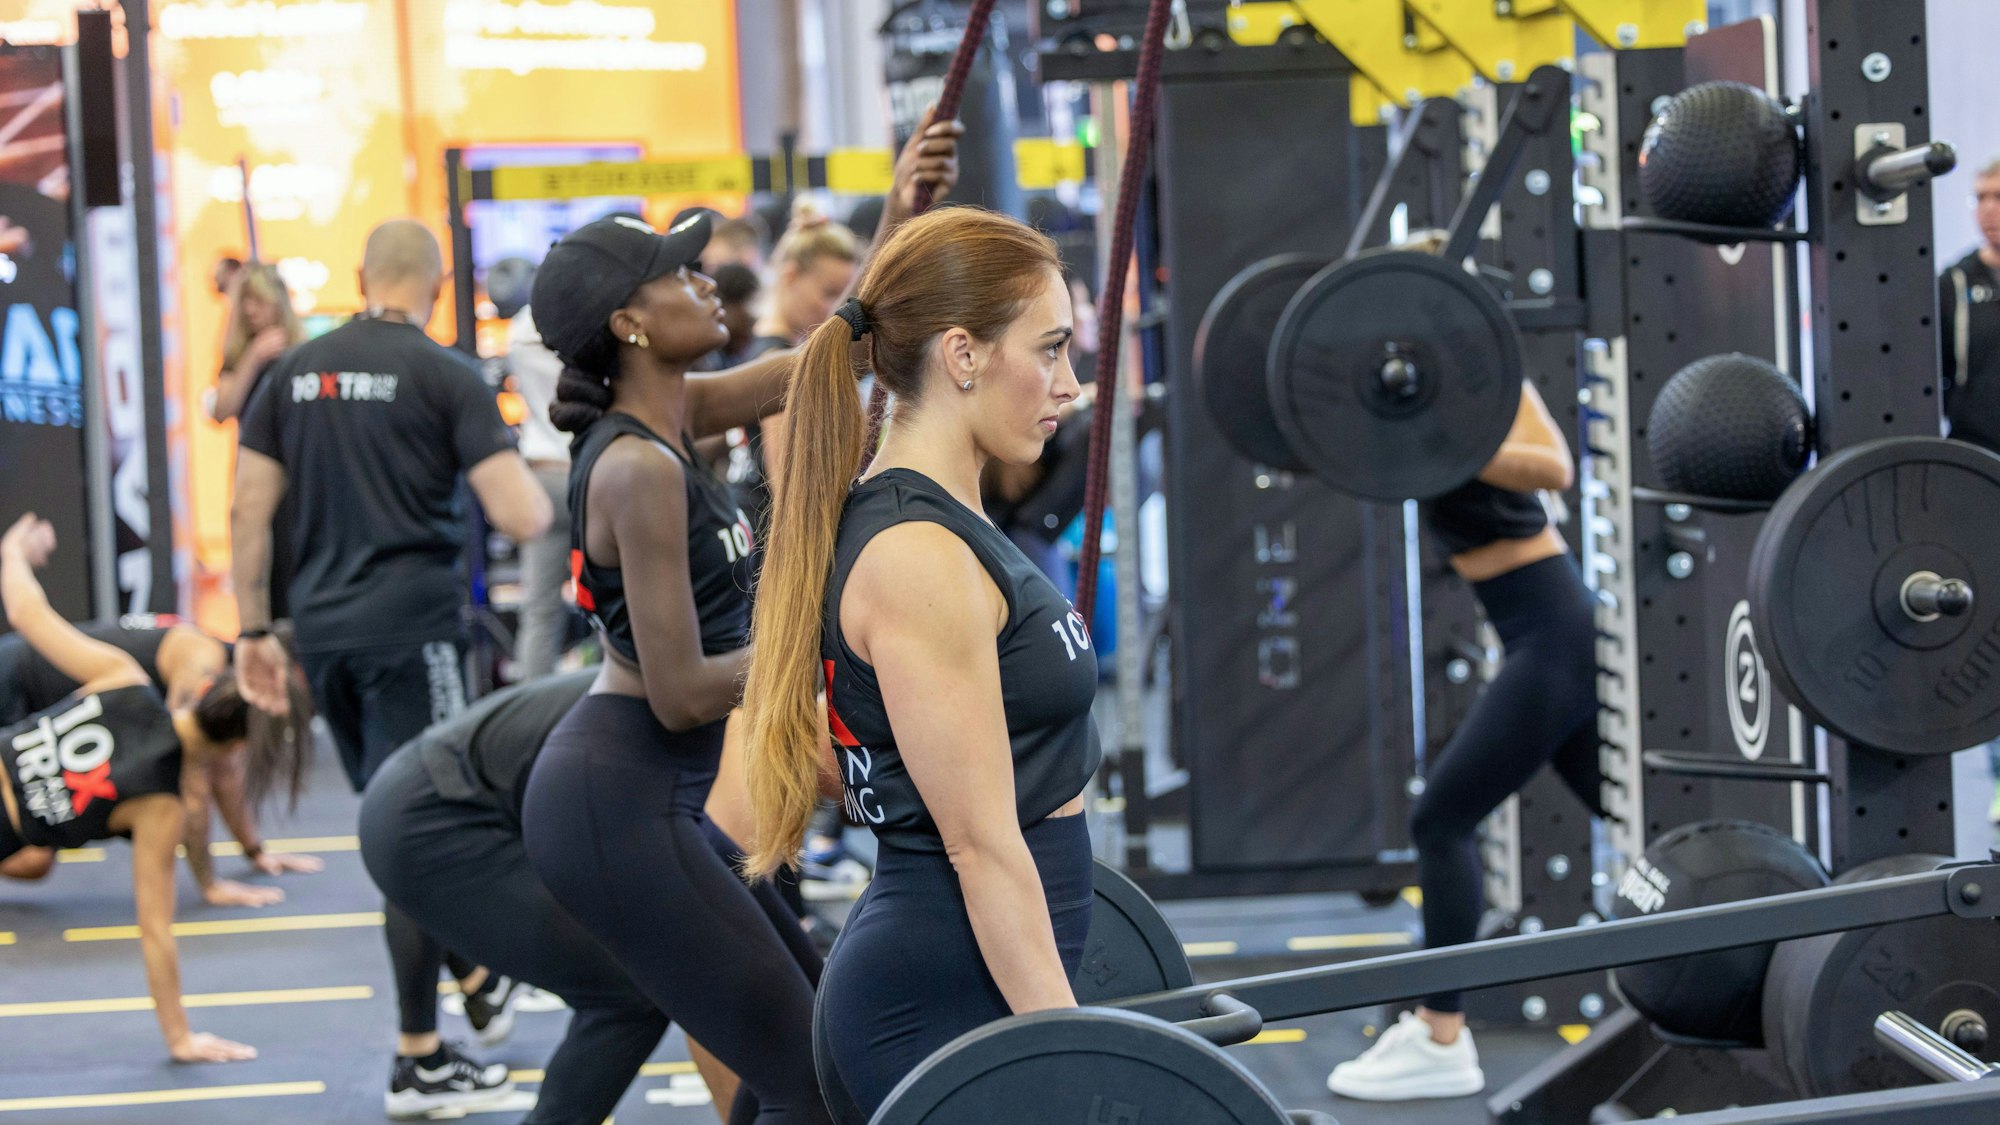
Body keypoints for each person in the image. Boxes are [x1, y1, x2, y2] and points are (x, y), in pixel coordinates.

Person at [520, 108, 960, 1125]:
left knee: (820, 1046)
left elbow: (825, 358)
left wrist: (897, 216)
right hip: (615, 806)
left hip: (649, 800)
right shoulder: (633, 467)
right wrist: (828, 640)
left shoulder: (673, 414)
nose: (707, 281)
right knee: (810, 1078)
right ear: (629, 322)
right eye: (680, 275)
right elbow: (678, 697)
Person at [739, 205, 1098, 1119]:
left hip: (977, 972)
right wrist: (1082, 1058)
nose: (1071, 382)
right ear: (963, 354)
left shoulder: (944, 525)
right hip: (944, 998)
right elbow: (977, 844)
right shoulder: (917, 556)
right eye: (1050, 349)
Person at [230, 218, 553, 1116]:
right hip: (413, 631)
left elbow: (249, 509)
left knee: (391, 817)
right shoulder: (446, 374)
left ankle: (479, 977)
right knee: (422, 834)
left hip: (323, 635)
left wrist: (254, 628)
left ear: (362, 276)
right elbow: (524, 515)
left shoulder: (295, 372)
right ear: (438, 286)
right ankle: (419, 1054)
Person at [359, 670, 823, 1124]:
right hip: (433, 820)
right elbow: (728, 977)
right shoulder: (734, 728)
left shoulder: (722, 698)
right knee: (633, 992)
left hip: (446, 794)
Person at [1322, 377, 1602, 1101]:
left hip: (1554, 636)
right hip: (1535, 636)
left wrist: (1448, 438)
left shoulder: (1490, 376)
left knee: (1440, 819)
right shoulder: (1399, 394)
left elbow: (1555, 467)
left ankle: (1442, 1032)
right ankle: (1732, 948)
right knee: (1628, 812)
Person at [0, 515, 281, 1063]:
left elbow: (27, 612)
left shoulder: (122, 674)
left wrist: (12, 549)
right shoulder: (160, 806)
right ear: (231, 751)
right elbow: (155, 931)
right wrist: (179, 1038)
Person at [0, 617, 318, 906]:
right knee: (34, 857)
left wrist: (254, 851)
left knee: (36, 850)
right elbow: (192, 783)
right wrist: (209, 885)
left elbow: (224, 771)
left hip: (46, 702)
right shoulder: (202, 663)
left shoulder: (229, 693)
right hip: (15, 681)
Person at [1938, 156, 2000, 817]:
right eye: (1980, 196)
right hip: (1981, 489)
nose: (1987, 208)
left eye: (1999, 196)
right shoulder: (1953, 286)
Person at [505, 300, 574, 681]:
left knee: (539, 610)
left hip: (544, 472)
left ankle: (533, 714)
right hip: (593, 472)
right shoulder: (590, 315)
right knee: (622, 599)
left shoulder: (522, 327)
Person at [211, 262, 304, 423]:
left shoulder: (299, 349)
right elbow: (221, 412)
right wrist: (253, 357)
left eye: (258, 300)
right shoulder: (239, 350)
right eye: (244, 301)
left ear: (276, 302)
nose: (249, 310)